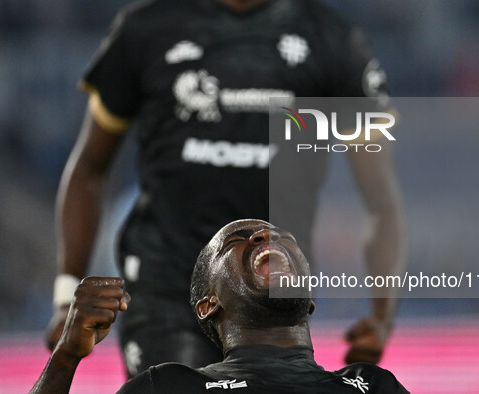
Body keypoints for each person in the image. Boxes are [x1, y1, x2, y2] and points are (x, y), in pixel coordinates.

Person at [46, 0, 405, 376]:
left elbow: (380, 198)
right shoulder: (144, 28)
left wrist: (382, 315)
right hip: (165, 285)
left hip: (272, 294)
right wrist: (63, 296)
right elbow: (88, 169)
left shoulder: (334, 40)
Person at [32, 219, 479, 394]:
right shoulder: (169, 388)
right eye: (237, 239)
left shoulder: (371, 386)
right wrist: (65, 358)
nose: (264, 232)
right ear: (206, 303)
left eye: (279, 235)